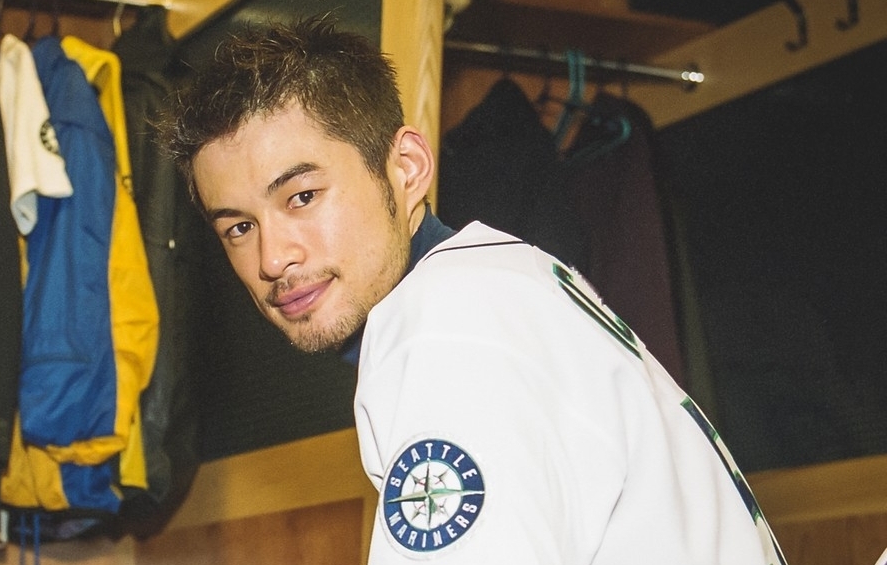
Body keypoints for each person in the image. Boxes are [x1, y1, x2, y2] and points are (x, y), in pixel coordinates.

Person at [162, 16, 788, 565]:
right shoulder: (494, 285)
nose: (273, 258)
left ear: (406, 169)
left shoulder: (448, 326)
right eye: (239, 227)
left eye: (302, 196)